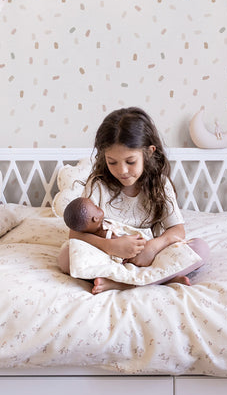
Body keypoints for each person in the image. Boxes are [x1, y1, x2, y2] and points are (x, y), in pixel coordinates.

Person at [57, 106, 209, 293]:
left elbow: (177, 230)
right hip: (109, 255)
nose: (122, 170)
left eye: (130, 161)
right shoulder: (98, 185)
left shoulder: (160, 184)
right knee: (66, 257)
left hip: (149, 256)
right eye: (112, 162)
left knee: (200, 248)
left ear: (149, 152)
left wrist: (153, 247)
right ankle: (159, 279)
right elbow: (75, 234)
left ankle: (121, 283)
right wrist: (111, 246)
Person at [63, 196, 153, 263]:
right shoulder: (103, 232)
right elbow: (118, 243)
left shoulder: (94, 226)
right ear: (95, 219)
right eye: (96, 207)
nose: (98, 206)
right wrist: (110, 245)